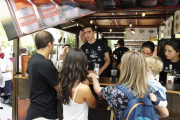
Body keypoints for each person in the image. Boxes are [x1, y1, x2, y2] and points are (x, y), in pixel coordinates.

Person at [89, 51, 169, 120]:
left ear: (123, 68)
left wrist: (93, 76)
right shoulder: (151, 89)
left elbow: (97, 90)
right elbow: (165, 114)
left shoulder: (115, 91)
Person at [26, 31, 59, 120]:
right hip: (45, 113)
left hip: (33, 111)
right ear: (49, 44)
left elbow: (27, 75)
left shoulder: (32, 60)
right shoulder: (46, 64)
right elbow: (59, 88)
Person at [58, 48, 97, 120]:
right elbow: (93, 105)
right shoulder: (84, 89)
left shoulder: (62, 83)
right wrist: (93, 77)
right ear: (83, 66)